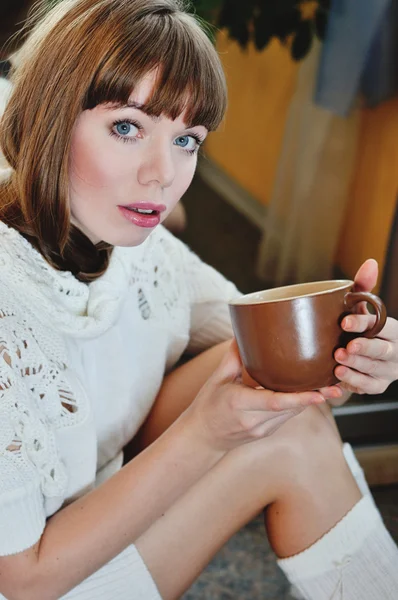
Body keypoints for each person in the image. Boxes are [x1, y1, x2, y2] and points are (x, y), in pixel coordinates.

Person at [0, 1, 397, 599]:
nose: (163, 173)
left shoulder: (135, 245)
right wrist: (205, 436)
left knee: (271, 386)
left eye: (186, 139)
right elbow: (22, 580)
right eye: (127, 127)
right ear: (47, 117)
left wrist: (349, 345)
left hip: (97, 498)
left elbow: (250, 332)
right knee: (288, 440)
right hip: (38, 579)